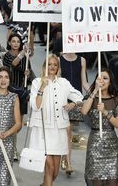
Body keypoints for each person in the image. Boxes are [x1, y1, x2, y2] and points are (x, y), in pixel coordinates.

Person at [29, 54, 83, 186]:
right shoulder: (37, 82)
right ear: (44, 66)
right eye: (49, 64)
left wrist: (74, 104)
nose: (52, 67)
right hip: (42, 131)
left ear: (58, 67)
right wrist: (42, 88)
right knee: (50, 168)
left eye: (55, 64)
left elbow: (79, 96)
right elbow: (35, 106)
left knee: (55, 171)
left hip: (59, 131)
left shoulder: (63, 82)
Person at [81, 69, 118, 186]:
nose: (102, 81)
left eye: (105, 78)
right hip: (95, 144)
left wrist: (105, 111)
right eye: (99, 78)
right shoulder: (91, 98)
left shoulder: (117, 100)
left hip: (111, 146)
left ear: (110, 82)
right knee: (96, 182)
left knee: (112, 181)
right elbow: (84, 111)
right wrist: (94, 90)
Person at [59, 52, 89, 175]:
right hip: (62, 99)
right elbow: (58, 79)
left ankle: (66, 160)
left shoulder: (82, 60)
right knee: (65, 132)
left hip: (75, 100)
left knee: (68, 133)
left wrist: (95, 92)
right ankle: (66, 160)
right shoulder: (59, 60)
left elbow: (84, 82)